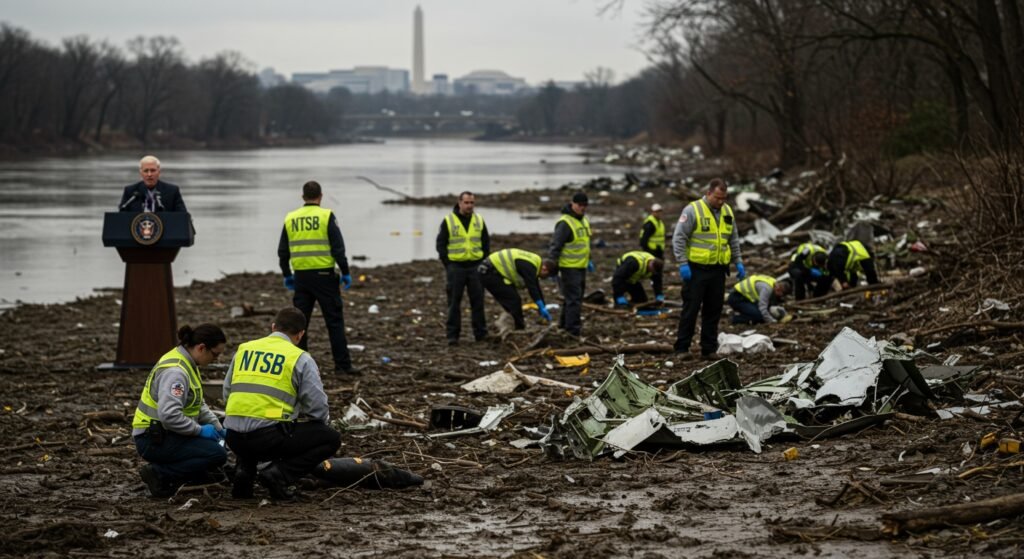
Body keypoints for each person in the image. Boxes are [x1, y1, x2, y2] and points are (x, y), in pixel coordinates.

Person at [224, 307, 341, 501]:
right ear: (300, 335)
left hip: (233, 437)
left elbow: (228, 391)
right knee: (330, 438)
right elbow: (317, 408)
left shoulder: (244, 349)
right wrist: (301, 420)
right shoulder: (300, 358)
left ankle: (244, 471)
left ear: (273, 327)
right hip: (266, 440)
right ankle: (278, 475)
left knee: (257, 424)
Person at [132, 324, 228, 498]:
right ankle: (159, 474)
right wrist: (199, 430)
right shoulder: (176, 372)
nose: (217, 360)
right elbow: (169, 415)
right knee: (216, 453)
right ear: (201, 348)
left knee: (216, 445)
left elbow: (198, 404)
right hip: (153, 439)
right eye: (215, 354)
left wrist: (218, 428)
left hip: (165, 433)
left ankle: (194, 474)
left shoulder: (187, 363)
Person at [278, 180, 358, 375]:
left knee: (299, 323)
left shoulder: (291, 218)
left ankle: (299, 367)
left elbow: (283, 252)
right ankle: (342, 366)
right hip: (324, 276)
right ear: (320, 196)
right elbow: (338, 248)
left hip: (301, 278)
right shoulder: (326, 216)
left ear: (303, 197)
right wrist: (345, 271)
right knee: (334, 322)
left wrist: (287, 274)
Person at [672, 178, 745, 358]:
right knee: (691, 310)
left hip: (718, 269)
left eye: (724, 198)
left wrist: (738, 261)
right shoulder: (693, 210)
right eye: (717, 198)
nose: (721, 202)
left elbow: (733, 239)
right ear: (708, 193)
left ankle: (709, 349)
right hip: (696, 270)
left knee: (713, 310)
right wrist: (682, 263)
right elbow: (679, 238)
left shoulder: (727, 211)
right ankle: (682, 348)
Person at [436, 191, 489, 345]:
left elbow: (486, 243)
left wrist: (483, 261)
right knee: (454, 303)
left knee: (478, 303)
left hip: (475, 266)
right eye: (466, 203)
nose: (469, 206)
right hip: (456, 267)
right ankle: (453, 336)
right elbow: (441, 244)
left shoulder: (479, 220)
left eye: (472, 203)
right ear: (459, 203)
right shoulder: (449, 220)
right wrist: (448, 264)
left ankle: (481, 334)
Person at [548, 191, 593, 337]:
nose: (582, 208)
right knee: (574, 299)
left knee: (572, 299)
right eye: (580, 205)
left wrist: (589, 259)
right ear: (572, 204)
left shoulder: (584, 220)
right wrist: (552, 266)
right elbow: (555, 246)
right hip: (568, 267)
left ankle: (563, 325)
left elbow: (584, 242)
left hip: (581, 266)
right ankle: (573, 330)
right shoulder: (565, 223)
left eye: (585, 205)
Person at [479, 248, 553, 329]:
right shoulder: (530, 267)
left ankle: (512, 323)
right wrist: (540, 306)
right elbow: (532, 287)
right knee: (514, 301)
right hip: (489, 272)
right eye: (546, 276)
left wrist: (543, 306)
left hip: (494, 270)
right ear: (544, 269)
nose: (543, 278)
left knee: (512, 301)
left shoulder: (535, 262)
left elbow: (536, 286)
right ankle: (519, 328)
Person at [119, 155, 187, 213]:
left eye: (153, 170)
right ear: (141, 173)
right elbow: (121, 216)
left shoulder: (172, 191)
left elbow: (183, 217)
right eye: (146, 171)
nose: (149, 174)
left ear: (159, 172)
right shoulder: (130, 192)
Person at [728, 275, 792, 324]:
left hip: (746, 298)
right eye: (782, 294)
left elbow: (767, 303)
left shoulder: (774, 283)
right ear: (778, 289)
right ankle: (735, 319)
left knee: (761, 313)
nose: (781, 296)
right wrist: (772, 321)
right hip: (737, 298)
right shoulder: (767, 289)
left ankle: (744, 312)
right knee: (759, 317)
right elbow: (763, 309)